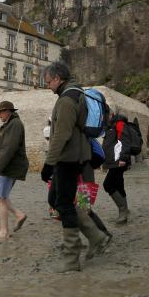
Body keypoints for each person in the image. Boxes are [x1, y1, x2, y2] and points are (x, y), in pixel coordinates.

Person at [40, 61, 108, 272]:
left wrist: (48, 163)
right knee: (56, 199)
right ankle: (96, 236)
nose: (48, 86)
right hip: (72, 157)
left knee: (64, 204)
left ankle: (71, 259)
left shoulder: (67, 100)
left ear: (58, 79)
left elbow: (61, 135)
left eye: (49, 82)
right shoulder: (73, 94)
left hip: (68, 159)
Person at [0, 101, 29, 240]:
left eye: (0, 112)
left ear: (7, 111)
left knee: (0, 197)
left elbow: (9, 148)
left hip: (8, 167)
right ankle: (19, 214)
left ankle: (4, 231)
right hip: (5, 166)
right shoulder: (10, 124)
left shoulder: (15, 124)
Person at [103, 113, 134, 224]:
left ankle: (122, 211)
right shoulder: (111, 126)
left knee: (108, 184)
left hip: (119, 161)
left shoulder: (120, 124)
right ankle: (125, 209)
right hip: (114, 161)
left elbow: (125, 141)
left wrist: (123, 158)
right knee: (119, 185)